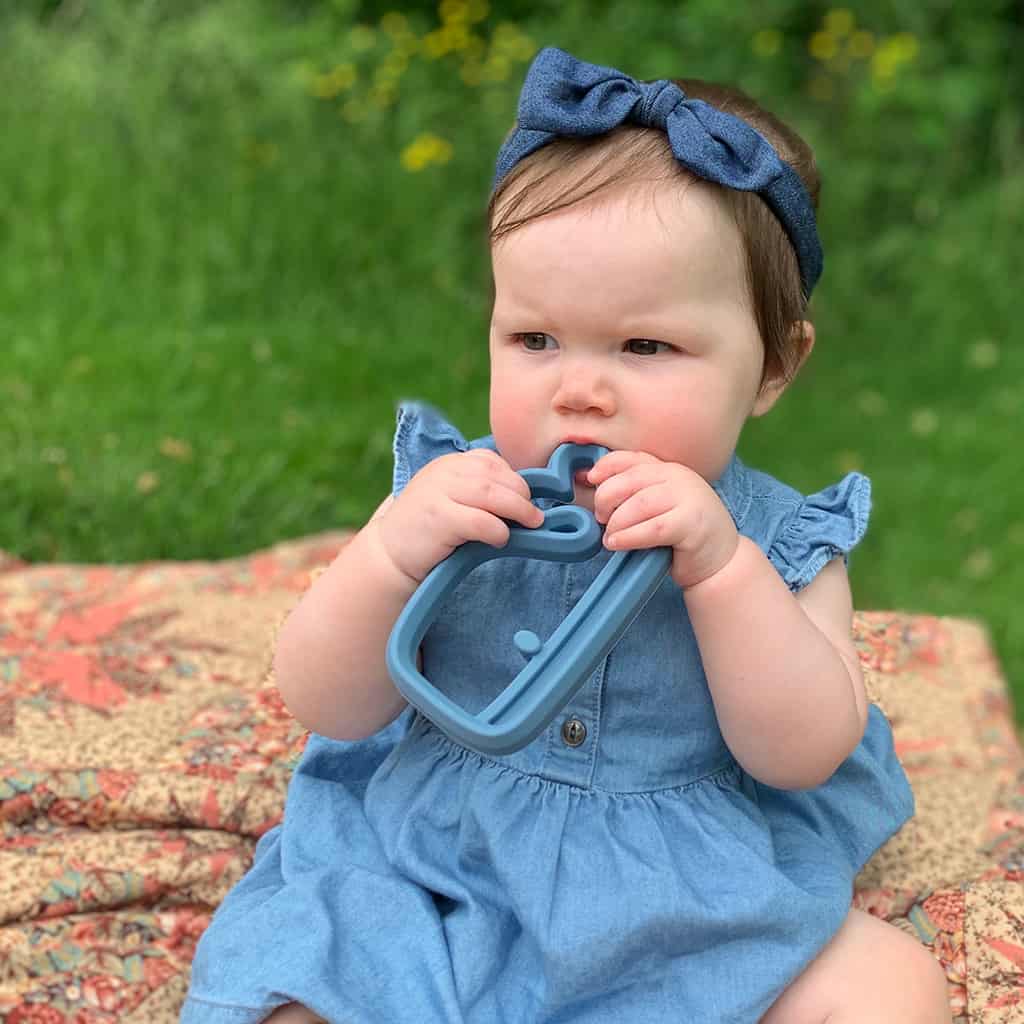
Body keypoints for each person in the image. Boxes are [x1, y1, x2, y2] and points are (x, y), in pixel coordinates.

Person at [181, 47, 951, 1024]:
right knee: (302, 975)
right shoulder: (455, 500)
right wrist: (389, 556)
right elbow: (322, 700)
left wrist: (722, 571)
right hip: (432, 869)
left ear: (773, 368)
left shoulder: (782, 542)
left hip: (685, 901)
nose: (579, 388)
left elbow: (802, 752)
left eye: (645, 346)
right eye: (534, 339)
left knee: (890, 987)